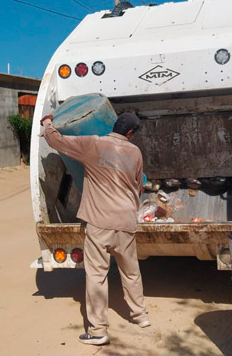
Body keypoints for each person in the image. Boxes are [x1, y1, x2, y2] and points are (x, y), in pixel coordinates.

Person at [40, 112, 150, 346]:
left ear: (115, 126)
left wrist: (47, 123)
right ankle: (140, 316)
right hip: (127, 222)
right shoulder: (135, 152)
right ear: (130, 134)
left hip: (100, 223)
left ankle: (99, 330)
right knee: (131, 272)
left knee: (97, 275)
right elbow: (140, 186)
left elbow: (56, 140)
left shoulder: (94, 144)